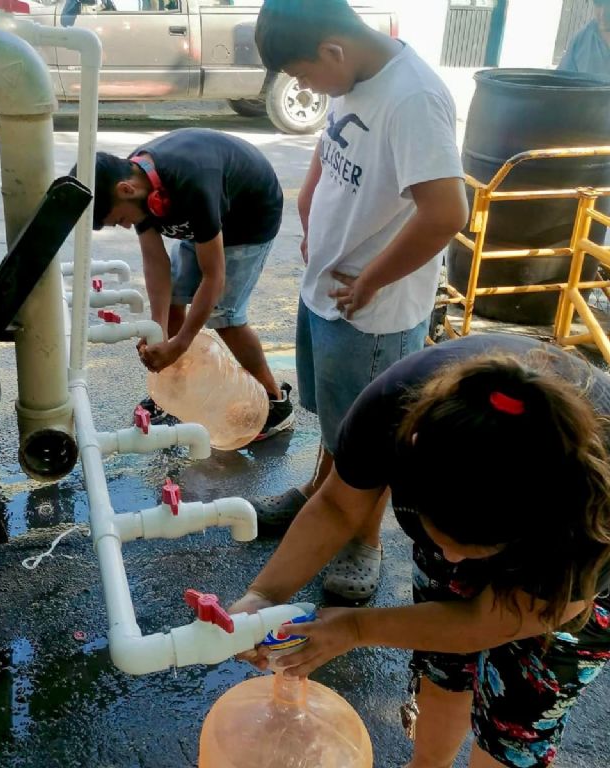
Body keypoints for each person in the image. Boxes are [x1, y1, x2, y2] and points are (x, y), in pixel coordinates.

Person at [231, 332, 610, 768]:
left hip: (569, 580)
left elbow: (496, 622)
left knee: (516, 725)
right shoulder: (393, 411)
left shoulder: (587, 508)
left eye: (470, 550)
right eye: (440, 539)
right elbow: (338, 504)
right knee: (444, 666)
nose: (450, 562)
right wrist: (264, 594)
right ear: (409, 461)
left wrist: (354, 629)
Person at [250, 0, 468, 601]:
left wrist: (371, 278)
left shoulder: (414, 98)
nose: (303, 87)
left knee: (368, 438)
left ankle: (361, 542)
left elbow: (447, 212)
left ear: (332, 52)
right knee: (336, 421)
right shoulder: (354, 76)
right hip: (327, 288)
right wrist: (309, 200)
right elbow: (334, 141)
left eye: (302, 74)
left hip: (370, 312)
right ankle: (319, 497)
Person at [85, 128, 293, 441]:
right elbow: (156, 264)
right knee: (173, 302)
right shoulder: (137, 184)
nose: (126, 225)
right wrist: (157, 332)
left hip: (249, 216)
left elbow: (214, 276)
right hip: (202, 217)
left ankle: (275, 402)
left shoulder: (192, 182)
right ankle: (174, 391)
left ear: (126, 190)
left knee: (226, 317)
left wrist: (180, 343)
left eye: (119, 220)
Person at [558, 0, 610, 77]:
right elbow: (561, 82)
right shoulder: (580, 41)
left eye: (608, 5)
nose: (602, 14)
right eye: (598, 4)